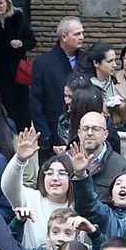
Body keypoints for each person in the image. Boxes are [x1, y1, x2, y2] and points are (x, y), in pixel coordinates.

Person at [31, 17, 87, 152]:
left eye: (82, 33)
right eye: (77, 34)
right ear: (64, 37)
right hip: (52, 132)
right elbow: (35, 101)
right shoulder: (43, 63)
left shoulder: (86, 60)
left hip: (82, 132)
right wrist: (44, 134)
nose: (82, 37)